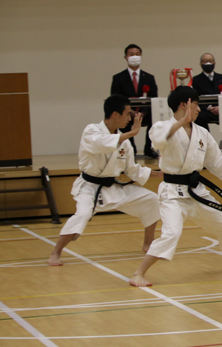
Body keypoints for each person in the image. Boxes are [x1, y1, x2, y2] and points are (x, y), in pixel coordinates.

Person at [129, 86, 222, 287]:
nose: (200, 109)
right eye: (197, 104)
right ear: (184, 104)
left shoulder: (201, 133)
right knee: (171, 233)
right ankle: (139, 273)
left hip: (196, 190)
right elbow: (157, 140)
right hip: (172, 192)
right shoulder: (162, 126)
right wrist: (182, 121)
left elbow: (217, 163)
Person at [48, 95, 162, 266]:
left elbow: (132, 170)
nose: (130, 118)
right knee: (83, 214)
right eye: (127, 114)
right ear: (115, 114)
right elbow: (101, 144)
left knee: (152, 200)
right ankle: (56, 252)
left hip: (113, 187)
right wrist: (131, 133)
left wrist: (158, 174)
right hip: (89, 187)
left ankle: (148, 243)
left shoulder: (125, 141)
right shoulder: (91, 131)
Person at [110, 44, 159, 158]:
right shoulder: (118, 78)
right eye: (131, 54)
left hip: (144, 113)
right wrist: (130, 111)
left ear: (141, 56)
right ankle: (130, 148)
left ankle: (149, 148)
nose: (134, 57)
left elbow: (153, 97)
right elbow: (115, 98)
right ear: (126, 57)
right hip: (127, 113)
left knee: (155, 117)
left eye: (137, 54)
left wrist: (143, 112)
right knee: (122, 119)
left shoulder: (148, 77)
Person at [191, 52, 222, 153]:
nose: (208, 63)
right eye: (205, 61)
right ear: (200, 64)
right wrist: (209, 107)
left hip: (221, 109)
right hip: (205, 110)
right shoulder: (196, 80)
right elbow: (196, 98)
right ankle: (208, 143)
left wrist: (221, 108)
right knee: (199, 117)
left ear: (214, 63)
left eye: (210, 61)